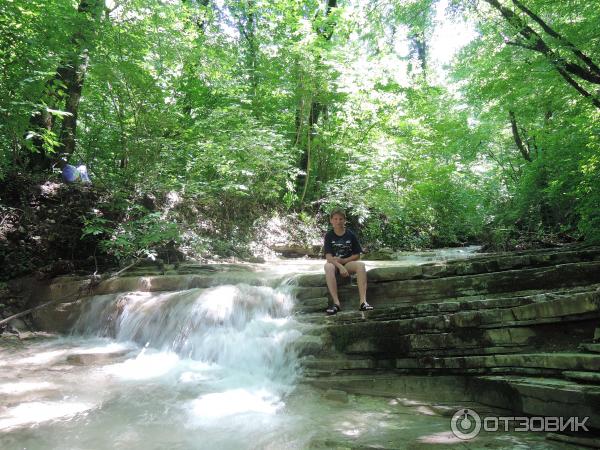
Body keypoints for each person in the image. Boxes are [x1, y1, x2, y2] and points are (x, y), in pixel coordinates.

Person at [323, 208, 373, 315]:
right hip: (334, 264)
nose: (338, 221)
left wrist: (344, 261)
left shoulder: (350, 234)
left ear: (344, 220)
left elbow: (357, 255)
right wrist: (340, 266)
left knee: (361, 265)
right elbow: (328, 257)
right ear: (331, 220)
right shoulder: (329, 235)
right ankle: (336, 303)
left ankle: (363, 302)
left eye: (341, 219)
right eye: (335, 219)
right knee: (328, 266)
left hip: (347, 263)